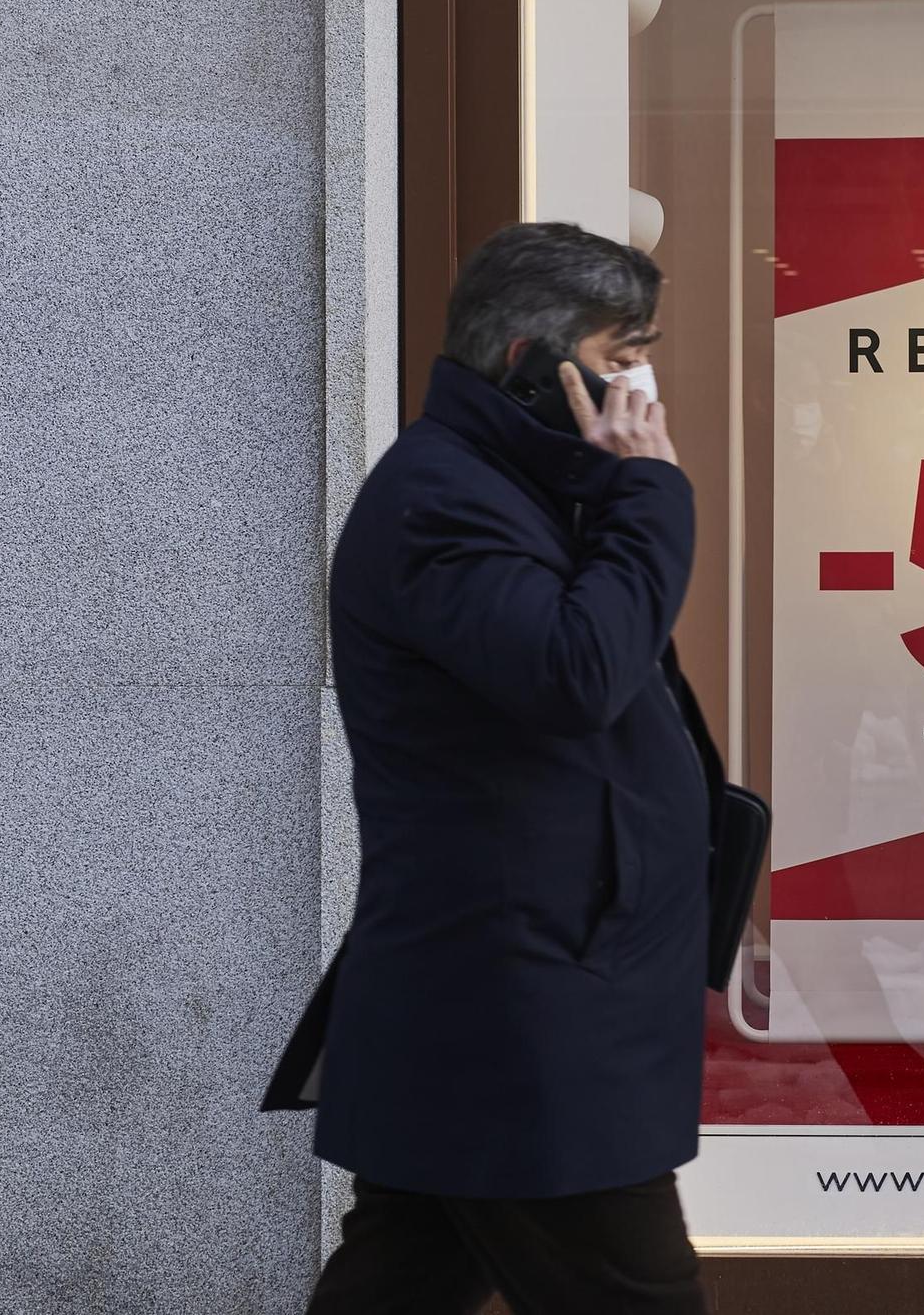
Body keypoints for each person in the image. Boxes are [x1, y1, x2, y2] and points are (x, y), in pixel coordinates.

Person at [263, 222, 722, 1314]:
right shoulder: (442, 504)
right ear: (529, 359)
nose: (638, 384)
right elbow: (576, 671)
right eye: (620, 354)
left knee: (404, 1275)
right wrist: (651, 496)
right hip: (523, 1010)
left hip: (521, 991)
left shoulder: (508, 487)